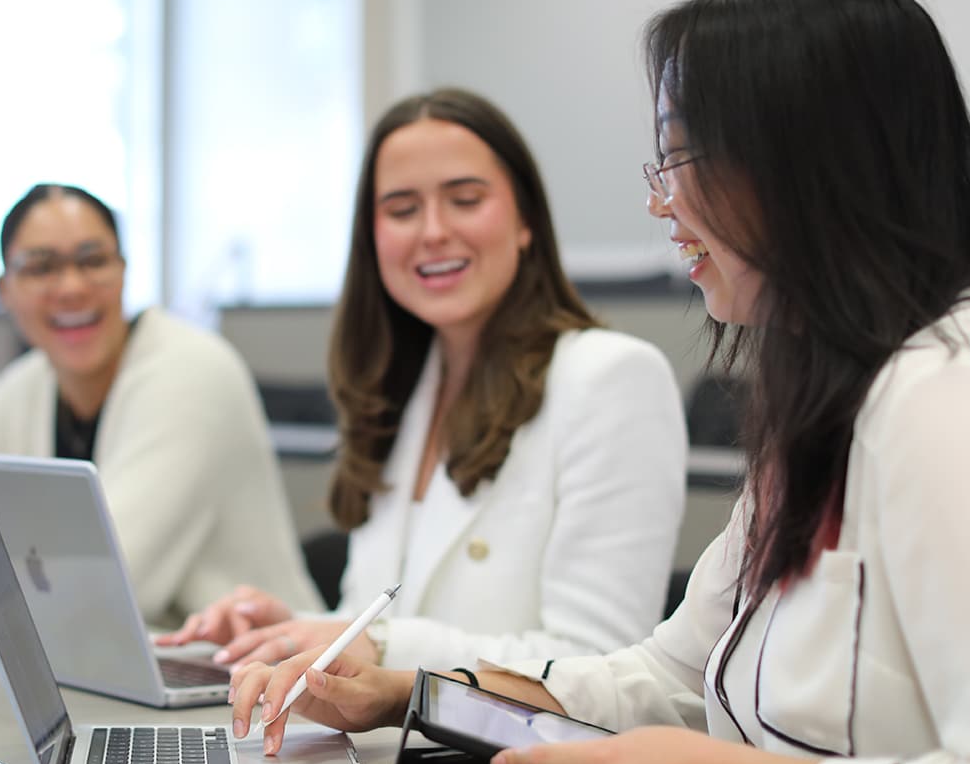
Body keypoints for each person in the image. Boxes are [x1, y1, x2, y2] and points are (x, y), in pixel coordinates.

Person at [231, 0, 970, 764]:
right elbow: (666, 678)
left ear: (806, 165)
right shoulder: (836, 393)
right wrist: (403, 694)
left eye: (680, 158)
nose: (659, 202)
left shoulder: (955, 402)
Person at [158, 88, 687, 673]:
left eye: (465, 199)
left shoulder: (612, 379)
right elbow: (373, 614)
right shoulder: (400, 390)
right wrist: (290, 631)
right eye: (402, 209)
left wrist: (376, 645)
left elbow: (600, 669)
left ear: (525, 220)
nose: (432, 231)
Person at [0, 184, 322, 625]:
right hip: (111, 661)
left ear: (123, 271)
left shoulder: (193, 372)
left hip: (255, 671)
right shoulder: (18, 391)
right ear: (6, 291)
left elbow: (110, 580)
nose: (71, 287)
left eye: (93, 261)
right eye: (41, 267)